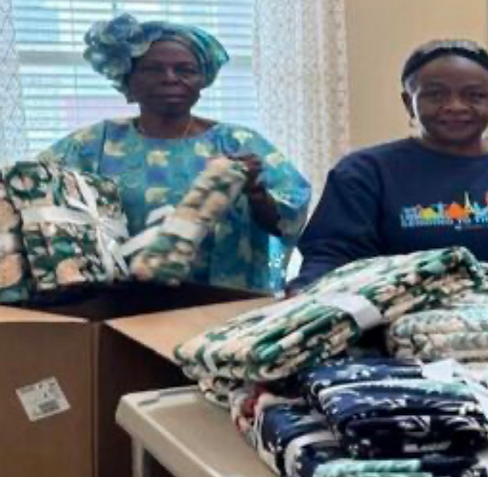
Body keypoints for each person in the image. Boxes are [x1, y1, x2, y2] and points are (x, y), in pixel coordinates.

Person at [40, 14, 311, 293]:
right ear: (127, 78)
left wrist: (255, 190)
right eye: (153, 69)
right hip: (121, 302)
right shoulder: (93, 144)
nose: (170, 79)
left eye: (185, 70)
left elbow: (287, 220)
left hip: (224, 301)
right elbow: (33, 194)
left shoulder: (238, 143)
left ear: (201, 80)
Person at [291, 39, 488, 291]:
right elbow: (331, 259)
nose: (455, 105)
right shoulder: (363, 173)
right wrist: (307, 292)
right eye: (435, 94)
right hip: (395, 337)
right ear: (408, 103)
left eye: (475, 95)